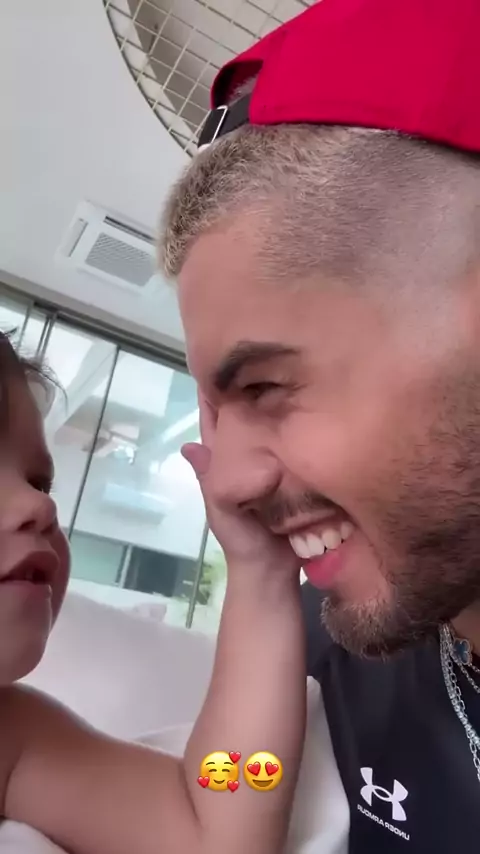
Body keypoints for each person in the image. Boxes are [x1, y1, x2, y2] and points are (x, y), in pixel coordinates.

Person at [159, 0, 480, 850]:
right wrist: (259, 582)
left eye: (264, 386)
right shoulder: (337, 636)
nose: (227, 480)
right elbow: (230, 799)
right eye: (214, 415)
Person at [0, 327, 306, 852]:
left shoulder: (10, 736)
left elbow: (217, 832)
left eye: (38, 481)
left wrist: (260, 571)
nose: (40, 506)